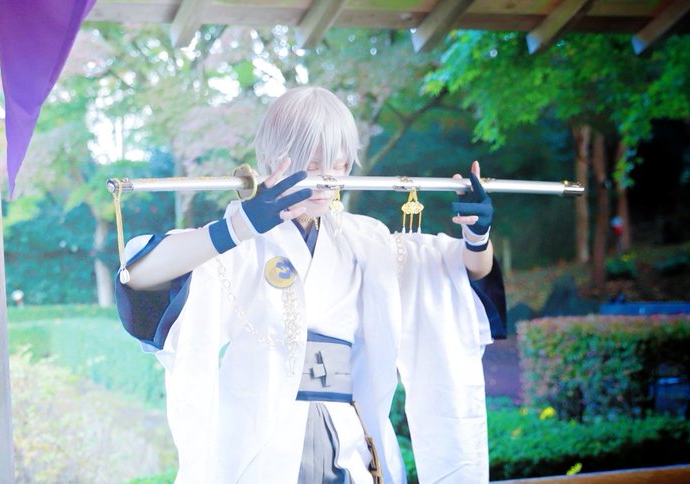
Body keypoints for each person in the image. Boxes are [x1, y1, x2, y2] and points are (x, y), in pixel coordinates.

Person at [115, 86, 505, 484]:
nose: (328, 179)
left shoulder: (366, 240)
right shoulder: (243, 239)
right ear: (273, 160)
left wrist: (477, 238)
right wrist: (238, 228)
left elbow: (456, 276)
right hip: (258, 438)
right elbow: (138, 277)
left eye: (340, 164)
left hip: (348, 434)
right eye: (313, 165)